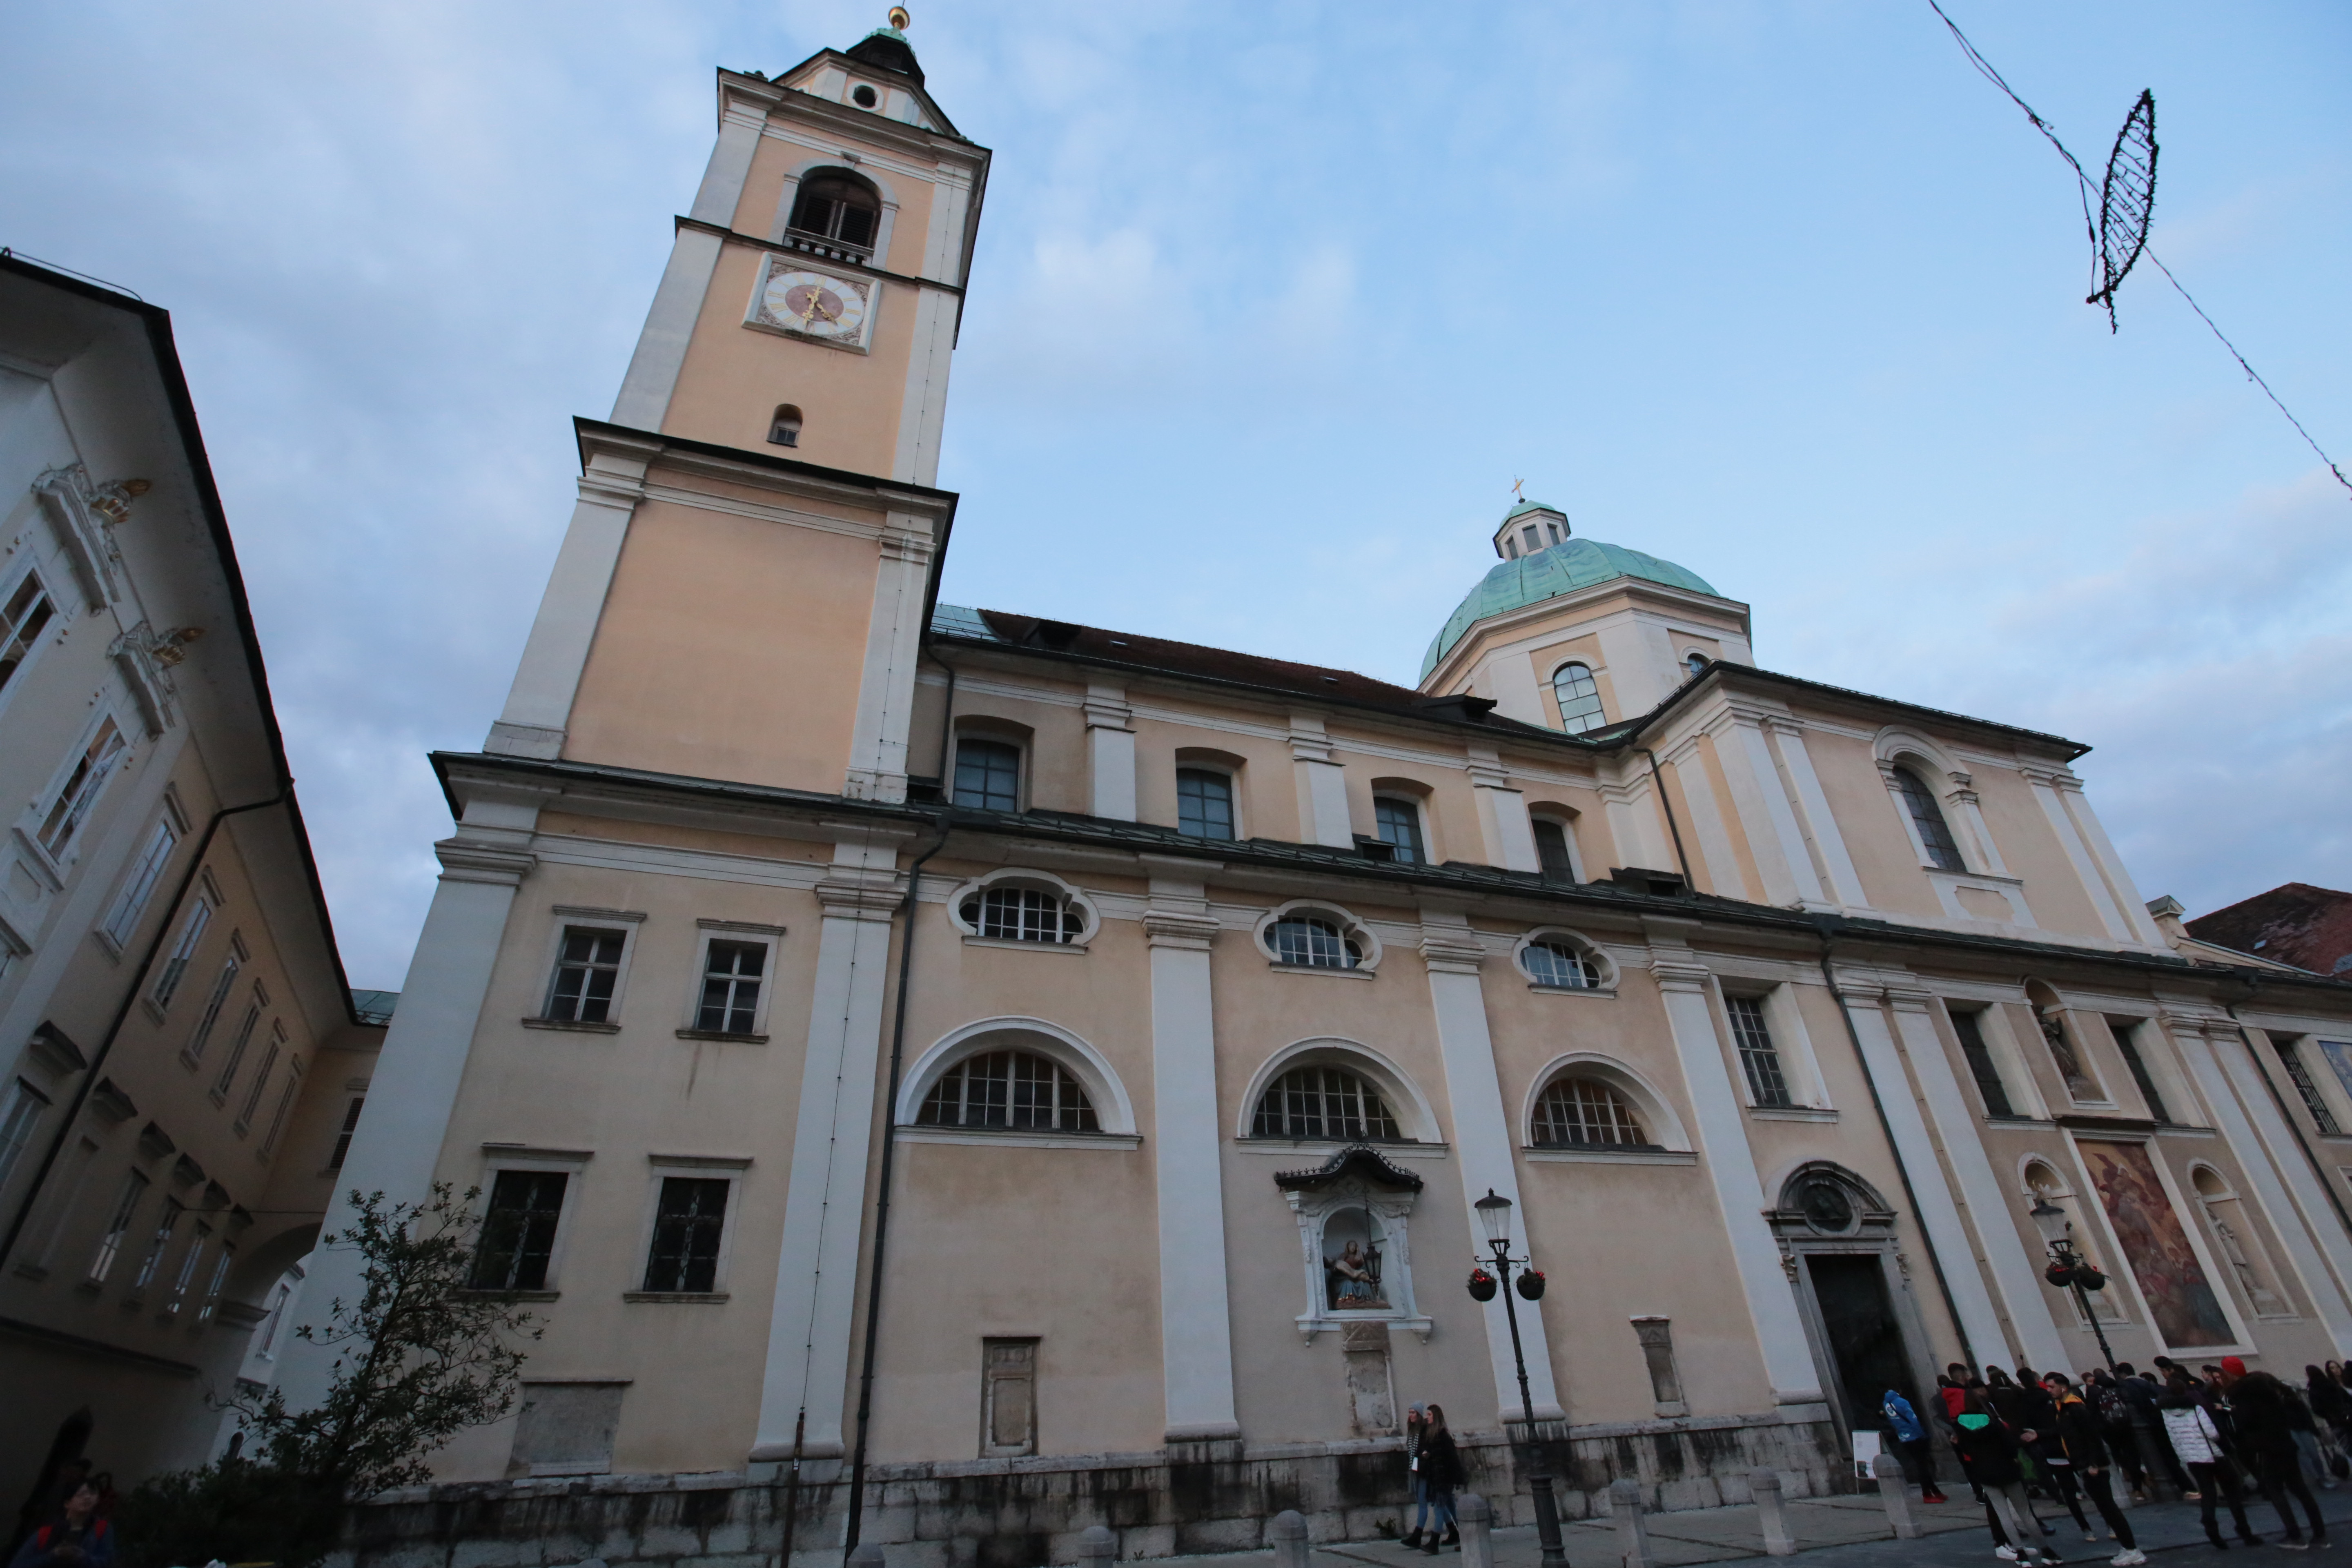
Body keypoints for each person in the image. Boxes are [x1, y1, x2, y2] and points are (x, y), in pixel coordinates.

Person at [2217, 1356, 2326, 1549]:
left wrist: (2232, 1411)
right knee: (2300, 1488)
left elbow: (2247, 1420)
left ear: (2229, 1373)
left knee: (2274, 1489)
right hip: (2285, 1442)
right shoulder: (2266, 1388)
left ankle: (2294, 1535)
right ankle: (2320, 1534)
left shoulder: (2242, 1392)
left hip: (2267, 1446)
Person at [2052, 1373, 2146, 1566]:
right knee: (2106, 1508)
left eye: (2052, 1387)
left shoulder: (2074, 1407)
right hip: (2084, 1463)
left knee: (2109, 1508)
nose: (2049, 1390)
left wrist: (2093, 1463)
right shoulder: (2064, 1408)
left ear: (2063, 1387)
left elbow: (2091, 1435)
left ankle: (2132, 1549)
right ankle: (2128, 1548)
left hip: (2091, 1465)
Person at [2161, 1368, 2261, 1549]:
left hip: (2192, 1458)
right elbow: (2212, 1433)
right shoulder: (2196, 1407)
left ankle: (2210, 1523)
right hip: (2212, 1455)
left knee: (2208, 1493)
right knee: (2232, 1492)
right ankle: (2244, 1530)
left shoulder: (2166, 1412)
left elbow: (2173, 1437)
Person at [1950, 1390, 2051, 1565]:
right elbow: (2010, 1448)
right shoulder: (1994, 1423)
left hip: (1984, 1472)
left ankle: (2021, 1554)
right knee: (2025, 1513)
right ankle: (2046, 1551)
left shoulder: (1960, 1426)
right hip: (2006, 1469)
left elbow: (1967, 1451)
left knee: (2003, 1514)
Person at [8, 1482, 113, 1568]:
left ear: (97, 1500)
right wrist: (52, 1556)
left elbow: (107, 1562)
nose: (88, 1497)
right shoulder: (46, 1533)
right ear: (67, 1503)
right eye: (81, 1494)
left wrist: (83, 1558)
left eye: (93, 1494)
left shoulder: (102, 1528)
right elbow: (18, 1565)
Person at [1881, 1388, 1948, 1504]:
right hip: (1914, 1437)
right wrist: (1921, 1434)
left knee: (1920, 1464)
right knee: (1923, 1466)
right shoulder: (1902, 1402)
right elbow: (1913, 1420)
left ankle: (1935, 1491)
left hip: (1903, 1437)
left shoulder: (1886, 1403)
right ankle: (1927, 1494)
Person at [1417, 1405, 1463, 1555]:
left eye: (1430, 1415)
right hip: (1436, 1477)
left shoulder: (1442, 1436)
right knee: (1451, 1507)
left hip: (1444, 1478)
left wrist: (1456, 1478)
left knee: (1439, 1508)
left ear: (1436, 1417)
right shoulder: (1430, 1434)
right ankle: (1465, 1536)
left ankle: (1434, 1542)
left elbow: (1451, 1459)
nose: (1427, 1417)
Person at [1401, 1404, 1432, 1549]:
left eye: (1413, 1412)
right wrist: (1414, 1471)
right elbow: (1413, 1454)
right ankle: (1453, 1529)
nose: (1411, 1415)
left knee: (1424, 1501)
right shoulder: (1412, 1430)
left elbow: (1424, 1452)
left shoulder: (1424, 1430)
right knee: (1440, 1504)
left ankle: (1417, 1535)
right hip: (1418, 1468)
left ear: (1419, 1414)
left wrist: (1420, 1468)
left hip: (1426, 1470)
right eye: (1410, 1412)